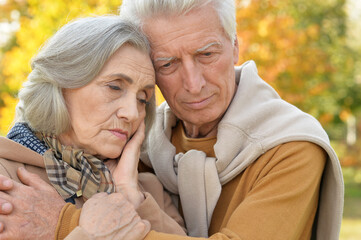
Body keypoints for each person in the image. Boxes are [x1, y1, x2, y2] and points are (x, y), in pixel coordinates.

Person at [0, 0, 344, 239]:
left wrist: (70, 225)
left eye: (207, 54)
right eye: (167, 64)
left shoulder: (290, 146)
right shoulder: (145, 152)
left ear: (236, 47)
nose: (194, 84)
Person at [0, 15, 186, 239]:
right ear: (61, 83)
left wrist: (128, 193)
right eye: (115, 87)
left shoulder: (148, 189)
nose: (132, 113)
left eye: (142, 99)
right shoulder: (6, 175)